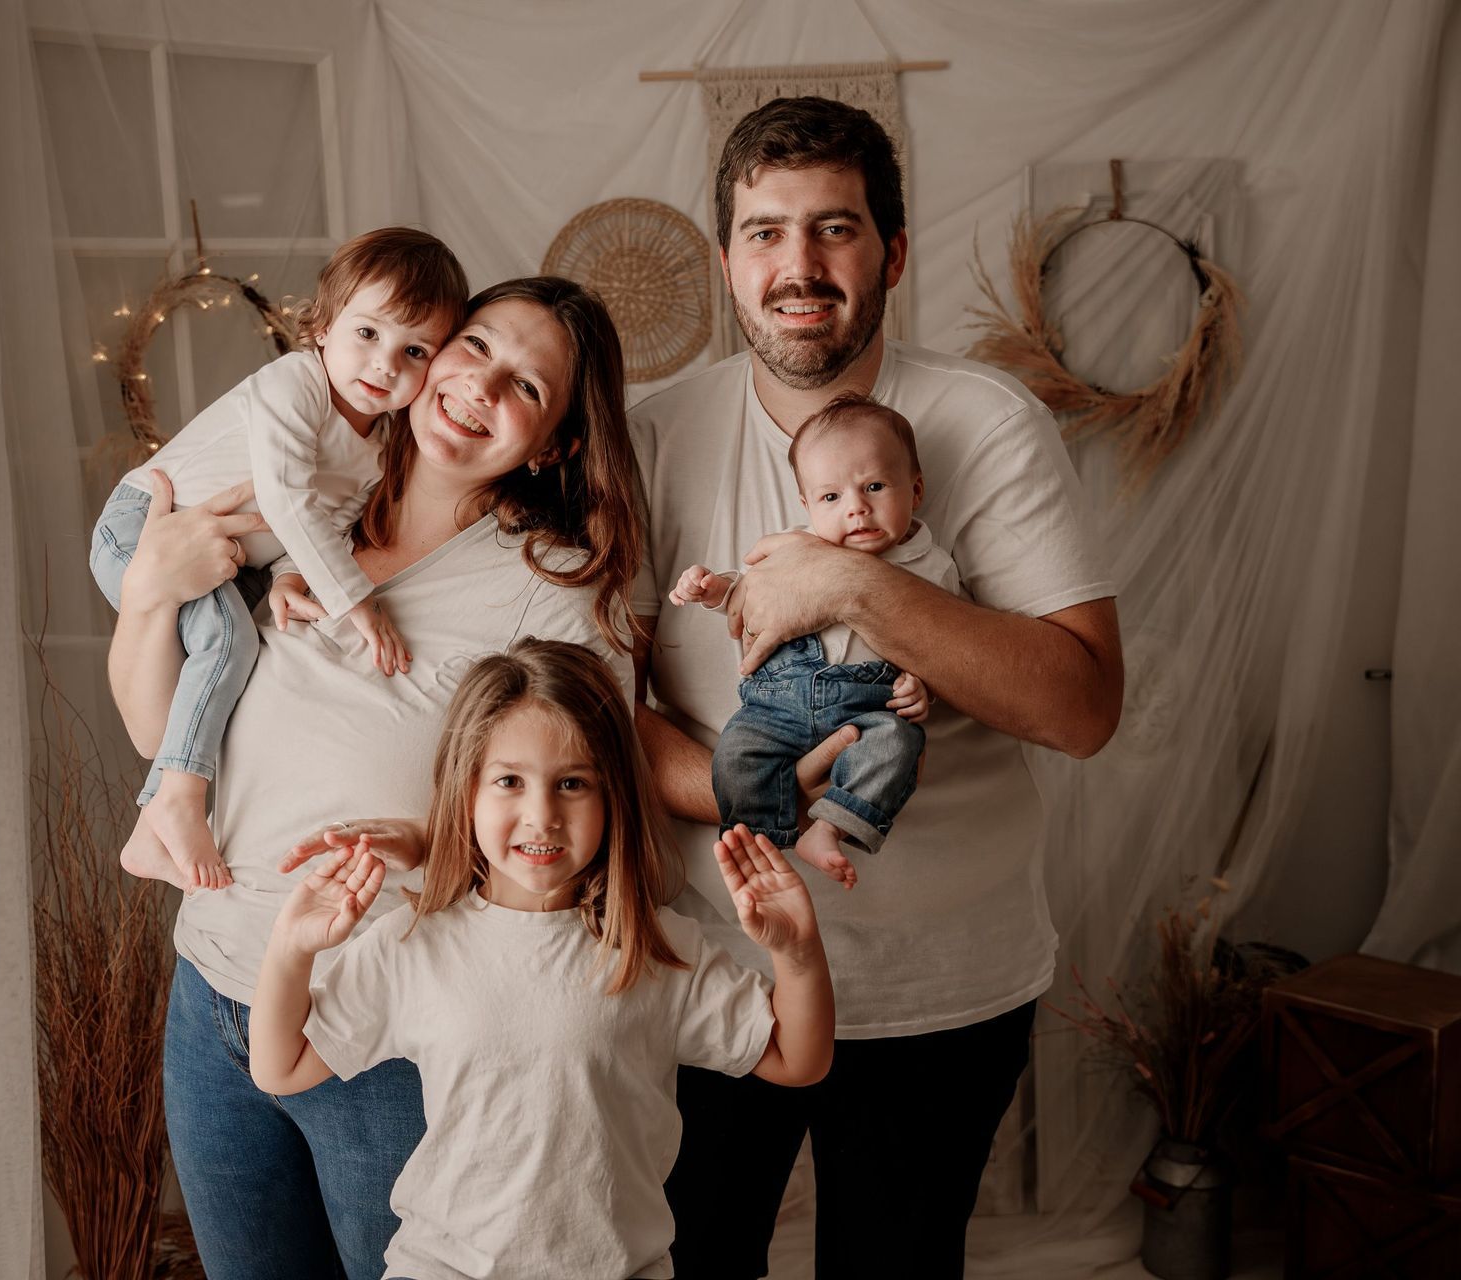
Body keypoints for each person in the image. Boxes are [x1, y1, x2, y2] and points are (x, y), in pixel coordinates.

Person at [630, 96, 1125, 1276]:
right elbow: (598, 710)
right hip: (706, 972)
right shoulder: (652, 433)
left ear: (892, 251)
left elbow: (1083, 706)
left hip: (938, 988)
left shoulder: (983, 422)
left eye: (834, 229)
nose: (797, 267)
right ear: (726, 259)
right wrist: (770, 801)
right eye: (764, 232)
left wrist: (848, 588)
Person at [106, 277, 646, 1280]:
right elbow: (158, 730)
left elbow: (578, 831)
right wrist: (147, 595)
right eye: (474, 345)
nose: (480, 385)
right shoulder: (308, 494)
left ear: (556, 442)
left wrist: (433, 845)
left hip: (385, 1018)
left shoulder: (550, 585)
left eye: (525, 385)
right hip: (215, 986)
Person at [249, 638, 835, 1280]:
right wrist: (291, 948)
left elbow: (797, 1060)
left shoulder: (655, 948)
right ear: (465, 791)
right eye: (509, 781)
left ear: (614, 797)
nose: (542, 815)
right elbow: (282, 1067)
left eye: (573, 783)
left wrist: (798, 955)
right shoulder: (413, 943)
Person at [90, 227, 467, 892]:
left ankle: (152, 832)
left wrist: (293, 576)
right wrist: (357, 602)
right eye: (368, 334)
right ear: (321, 327)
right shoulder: (294, 386)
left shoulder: (377, 449)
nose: (385, 365)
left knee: (240, 665)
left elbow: (323, 523)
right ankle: (173, 803)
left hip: (234, 560)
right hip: (145, 526)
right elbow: (287, 495)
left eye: (414, 351)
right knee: (230, 646)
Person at [668, 393, 950, 887]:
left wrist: (922, 687)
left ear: (916, 489)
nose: (857, 509)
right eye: (831, 497)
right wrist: (714, 589)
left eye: (876, 486)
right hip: (775, 708)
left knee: (899, 744)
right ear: (807, 505)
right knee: (736, 754)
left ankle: (828, 827)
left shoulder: (933, 568)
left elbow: (944, 646)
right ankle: (759, 847)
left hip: (869, 709)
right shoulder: (796, 549)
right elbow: (748, 596)